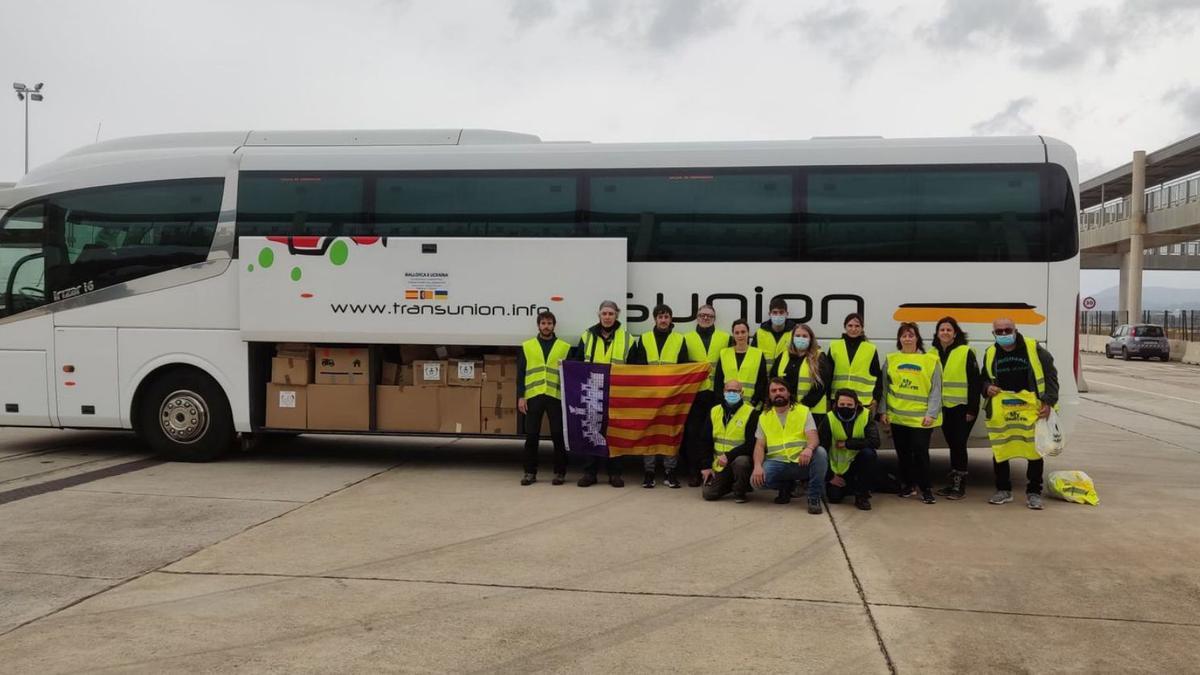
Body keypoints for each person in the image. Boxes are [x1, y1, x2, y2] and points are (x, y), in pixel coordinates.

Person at [981, 317, 1059, 510]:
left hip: (1031, 409)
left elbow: (1051, 375)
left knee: (1034, 451)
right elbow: (983, 379)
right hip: (1004, 409)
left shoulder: (1033, 348)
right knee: (1001, 449)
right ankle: (1003, 490)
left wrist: (1048, 401)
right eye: (999, 331)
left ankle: (1034, 493)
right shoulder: (991, 352)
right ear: (994, 334)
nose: (1004, 334)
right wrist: (987, 388)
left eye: (1007, 330)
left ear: (1016, 330)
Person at [878, 322, 942, 504]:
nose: (907, 338)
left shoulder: (930, 360)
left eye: (911, 335)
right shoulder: (891, 359)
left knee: (921, 453)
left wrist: (931, 413)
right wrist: (883, 411)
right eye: (904, 335)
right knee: (903, 453)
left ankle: (926, 489)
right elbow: (884, 388)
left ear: (917, 338)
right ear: (899, 339)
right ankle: (908, 485)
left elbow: (936, 389)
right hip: (898, 417)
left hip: (921, 419)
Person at [628, 304, 691, 488]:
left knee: (670, 433)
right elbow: (638, 367)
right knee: (650, 433)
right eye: (660, 317)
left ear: (671, 319)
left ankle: (670, 472)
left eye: (666, 317)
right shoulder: (644, 339)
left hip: (671, 395)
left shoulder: (679, 340)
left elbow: (683, 368)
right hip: (650, 395)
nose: (663, 320)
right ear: (655, 319)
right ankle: (649, 472)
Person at [571, 300, 632, 488]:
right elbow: (578, 363)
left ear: (617, 315)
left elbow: (636, 367)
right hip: (592, 392)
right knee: (592, 432)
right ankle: (590, 473)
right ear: (599, 315)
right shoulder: (587, 336)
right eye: (604, 314)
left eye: (611, 314)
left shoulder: (627, 338)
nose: (607, 317)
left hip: (616, 393)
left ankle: (615, 473)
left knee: (615, 433)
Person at [750, 377, 828, 514]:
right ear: (769, 395)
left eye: (781, 390)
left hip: (801, 462)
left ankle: (814, 497)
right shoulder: (764, 416)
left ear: (788, 392)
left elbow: (813, 437)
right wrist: (757, 466)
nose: (778, 393)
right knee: (755, 482)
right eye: (773, 391)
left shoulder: (803, 411)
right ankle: (786, 486)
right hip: (777, 462)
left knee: (820, 453)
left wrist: (809, 449)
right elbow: (759, 446)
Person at [517, 311, 571, 486]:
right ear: (538, 325)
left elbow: (569, 375)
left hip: (555, 396)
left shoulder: (564, 347)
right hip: (534, 396)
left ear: (554, 325)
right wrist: (521, 396)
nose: (546, 326)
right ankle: (529, 473)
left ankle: (560, 473)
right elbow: (521, 373)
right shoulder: (527, 346)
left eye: (549, 323)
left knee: (558, 435)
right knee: (531, 436)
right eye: (543, 323)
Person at [932, 317, 981, 500]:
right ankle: (953, 482)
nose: (945, 333)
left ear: (955, 333)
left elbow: (975, 383)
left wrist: (972, 410)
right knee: (952, 444)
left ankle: (960, 485)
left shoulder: (965, 352)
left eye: (948, 330)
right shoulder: (932, 353)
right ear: (937, 334)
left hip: (962, 408)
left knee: (959, 445)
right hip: (944, 408)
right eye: (942, 330)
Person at [682, 304, 731, 487]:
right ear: (697, 317)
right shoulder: (686, 338)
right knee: (693, 434)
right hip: (694, 394)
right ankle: (693, 472)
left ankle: (714, 470)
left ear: (714, 318)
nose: (705, 318)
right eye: (702, 315)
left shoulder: (725, 338)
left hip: (716, 394)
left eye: (709, 315)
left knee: (714, 433)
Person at [699, 379, 759, 503]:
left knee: (742, 462)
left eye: (735, 391)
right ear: (723, 392)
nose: (731, 393)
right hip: (719, 464)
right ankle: (730, 484)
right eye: (729, 390)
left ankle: (740, 490)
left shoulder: (751, 413)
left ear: (742, 393)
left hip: (738, 460)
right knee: (708, 494)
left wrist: (728, 456)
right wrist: (706, 466)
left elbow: (751, 444)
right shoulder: (714, 411)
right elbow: (705, 440)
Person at [820, 389, 879, 510]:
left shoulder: (865, 415)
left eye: (849, 405)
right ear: (835, 405)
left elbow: (875, 442)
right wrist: (830, 476)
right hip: (838, 470)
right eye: (842, 405)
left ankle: (862, 496)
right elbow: (821, 450)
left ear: (856, 405)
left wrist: (848, 444)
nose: (845, 407)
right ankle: (851, 487)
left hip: (858, 464)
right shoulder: (829, 418)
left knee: (869, 453)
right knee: (834, 498)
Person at [772, 323, 831, 421]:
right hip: (784, 410)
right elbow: (773, 380)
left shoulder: (819, 357)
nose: (801, 338)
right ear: (792, 338)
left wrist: (802, 406)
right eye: (798, 336)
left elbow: (822, 385)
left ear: (810, 339)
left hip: (812, 412)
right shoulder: (783, 356)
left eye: (804, 336)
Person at [828, 313, 882, 410]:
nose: (853, 329)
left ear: (862, 328)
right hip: (838, 400)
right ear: (845, 327)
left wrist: (876, 399)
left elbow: (877, 376)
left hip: (862, 402)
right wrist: (827, 399)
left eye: (857, 326)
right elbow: (827, 376)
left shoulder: (870, 348)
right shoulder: (834, 346)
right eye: (850, 325)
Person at [714, 319, 768, 407]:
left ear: (748, 333)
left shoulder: (758, 353)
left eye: (743, 332)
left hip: (751, 405)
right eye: (737, 332)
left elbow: (762, 381)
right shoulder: (724, 353)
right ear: (733, 334)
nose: (740, 335)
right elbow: (718, 381)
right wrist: (722, 402)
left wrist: (754, 401)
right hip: (728, 404)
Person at [753, 298, 796, 373]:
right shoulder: (760, 333)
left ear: (787, 314)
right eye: (775, 312)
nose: (778, 315)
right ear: (769, 314)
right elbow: (752, 357)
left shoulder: (795, 333)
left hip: (785, 379)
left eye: (781, 312)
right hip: (764, 378)